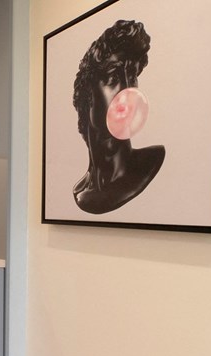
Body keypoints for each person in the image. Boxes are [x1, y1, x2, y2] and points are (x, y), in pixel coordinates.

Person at [72, 19, 165, 214]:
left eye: (131, 75)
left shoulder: (151, 161)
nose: (126, 90)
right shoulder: (80, 190)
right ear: (87, 93)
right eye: (113, 77)